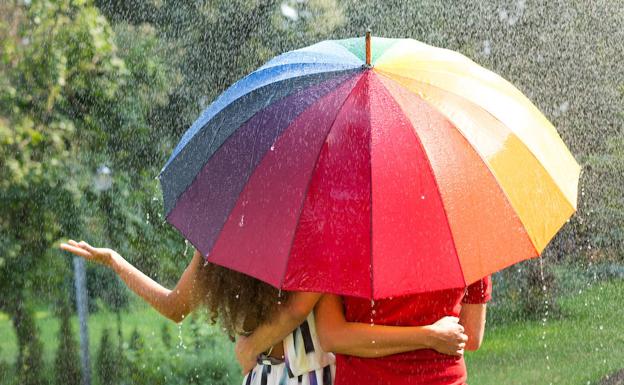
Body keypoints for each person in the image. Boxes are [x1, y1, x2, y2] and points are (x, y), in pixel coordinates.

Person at [60, 240, 470, 385]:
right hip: (316, 374)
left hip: (261, 377)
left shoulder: (217, 250)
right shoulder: (309, 241)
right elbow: (297, 309)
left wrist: (117, 262)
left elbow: (173, 307)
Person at [314, 277, 492, 385]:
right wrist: (430, 336)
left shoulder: (346, 234)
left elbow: (333, 336)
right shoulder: (463, 237)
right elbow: (470, 336)